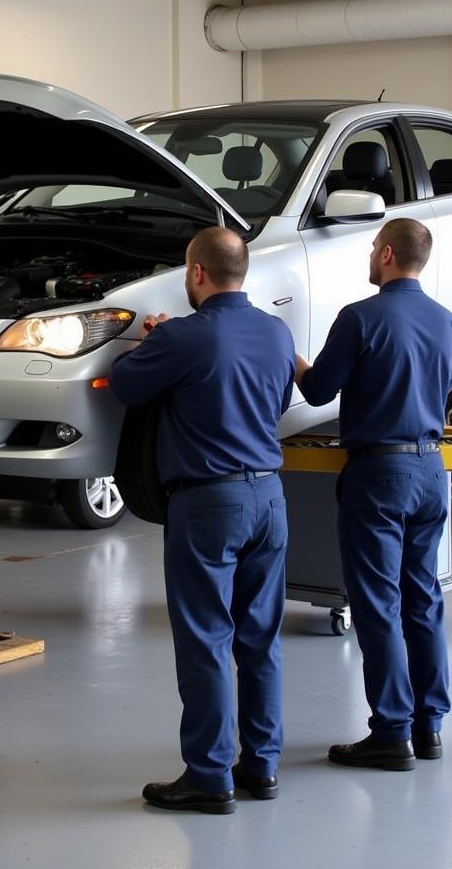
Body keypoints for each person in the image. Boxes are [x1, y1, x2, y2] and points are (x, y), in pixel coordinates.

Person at [109, 226, 296, 814]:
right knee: (260, 639)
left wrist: (149, 344)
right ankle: (261, 766)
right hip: (270, 497)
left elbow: (124, 385)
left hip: (209, 503)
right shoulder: (275, 331)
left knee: (206, 640)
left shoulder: (184, 337)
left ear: (196, 273)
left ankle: (209, 775)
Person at [295, 217, 452, 771]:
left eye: (372, 248)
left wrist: (292, 353)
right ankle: (429, 726)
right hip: (432, 471)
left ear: (388, 255)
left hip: (379, 474)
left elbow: (319, 389)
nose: (370, 255)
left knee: (377, 605)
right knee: (424, 599)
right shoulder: (447, 322)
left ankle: (390, 731)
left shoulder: (360, 318)